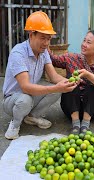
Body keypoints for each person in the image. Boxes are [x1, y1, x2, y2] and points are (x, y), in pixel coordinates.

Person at [2, 11, 77, 140]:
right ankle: (15, 125)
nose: (46, 43)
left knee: (57, 87)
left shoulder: (43, 52)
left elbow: (53, 77)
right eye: (43, 38)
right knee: (25, 99)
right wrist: (56, 87)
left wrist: (70, 82)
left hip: (31, 95)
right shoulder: (18, 53)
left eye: (48, 38)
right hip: (12, 100)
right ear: (31, 35)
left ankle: (32, 116)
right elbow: (25, 87)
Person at [50, 30, 94, 134]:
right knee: (71, 82)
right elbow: (52, 59)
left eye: (88, 42)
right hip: (71, 109)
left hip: (92, 111)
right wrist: (45, 40)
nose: (84, 44)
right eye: (84, 41)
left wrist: (88, 75)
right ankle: (75, 125)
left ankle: (85, 125)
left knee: (93, 86)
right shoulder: (71, 58)